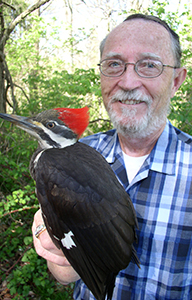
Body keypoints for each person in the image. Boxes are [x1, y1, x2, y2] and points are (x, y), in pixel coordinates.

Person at [32, 13, 192, 299]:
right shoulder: (69, 155)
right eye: (114, 64)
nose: (128, 82)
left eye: (149, 65)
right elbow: (65, 272)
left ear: (177, 80)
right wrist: (58, 256)